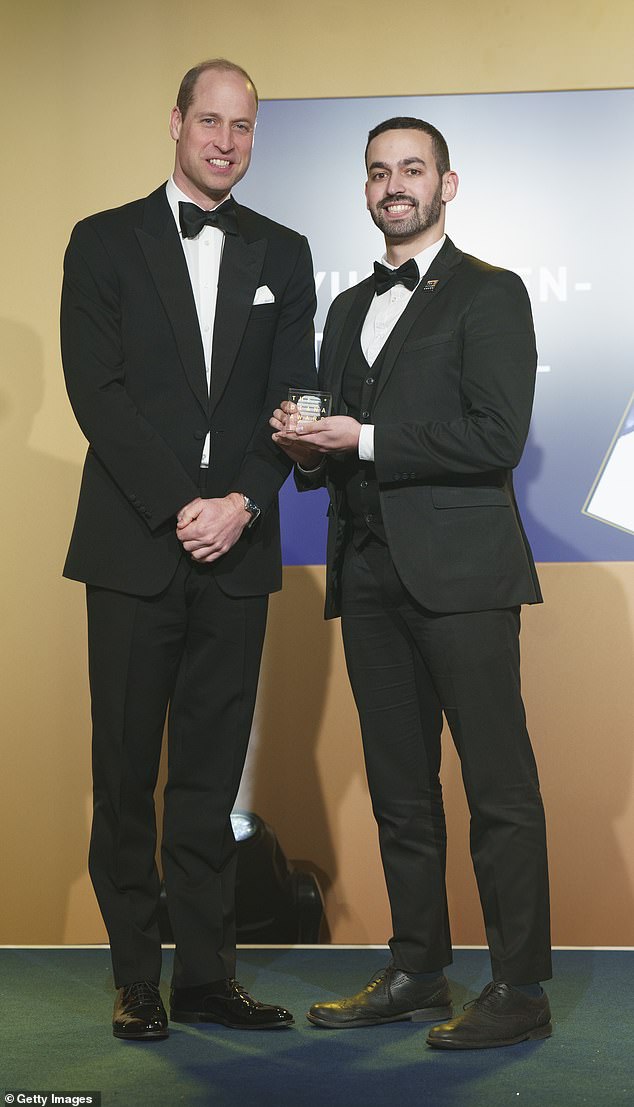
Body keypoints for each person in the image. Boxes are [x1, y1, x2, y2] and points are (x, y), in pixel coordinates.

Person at [271, 116, 552, 1050]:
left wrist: (366, 439)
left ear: (448, 183)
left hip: (465, 575)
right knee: (401, 789)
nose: (397, 185)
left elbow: (496, 438)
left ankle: (519, 986)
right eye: (381, 172)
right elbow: (335, 444)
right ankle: (418, 969)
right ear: (364, 191)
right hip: (369, 575)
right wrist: (304, 445)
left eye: (413, 170)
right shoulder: (348, 307)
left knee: (499, 788)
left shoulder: (493, 293)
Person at [61, 58, 317, 1040]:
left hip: (239, 554)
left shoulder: (284, 254)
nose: (225, 141)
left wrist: (245, 502)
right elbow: (100, 395)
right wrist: (187, 506)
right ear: (175, 123)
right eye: (209, 121)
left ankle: (207, 977)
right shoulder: (103, 243)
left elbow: (295, 400)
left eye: (242, 127)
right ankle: (136, 978)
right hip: (134, 549)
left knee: (210, 783)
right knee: (127, 773)